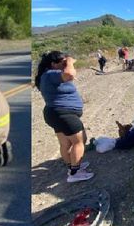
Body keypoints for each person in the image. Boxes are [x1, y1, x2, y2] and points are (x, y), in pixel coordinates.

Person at [35, 51, 93, 183]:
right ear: (53, 64)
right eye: (63, 62)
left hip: (56, 114)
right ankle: (75, 173)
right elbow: (70, 74)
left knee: (65, 144)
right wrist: (70, 62)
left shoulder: (49, 75)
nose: (65, 64)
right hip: (63, 114)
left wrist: (67, 63)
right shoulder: (51, 74)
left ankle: (72, 166)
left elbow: (67, 76)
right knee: (79, 141)